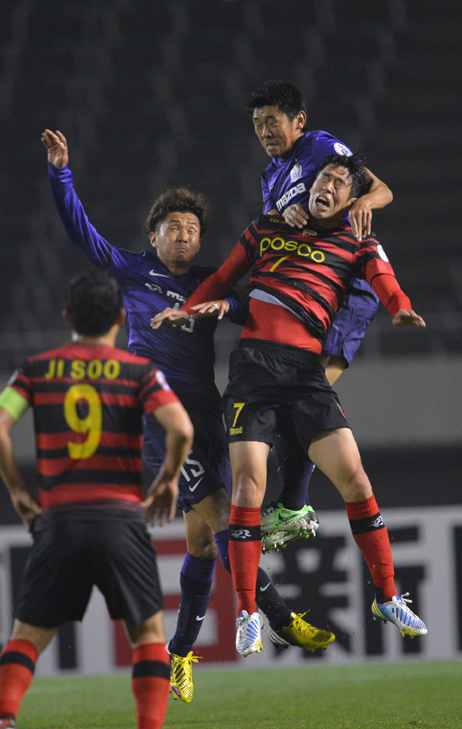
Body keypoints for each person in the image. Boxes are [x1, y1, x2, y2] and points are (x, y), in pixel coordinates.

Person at [41, 128, 335, 704]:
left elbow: (255, 307)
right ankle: (276, 615)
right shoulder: (133, 272)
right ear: (153, 236)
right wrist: (60, 174)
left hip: (207, 412)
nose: (185, 235)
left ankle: (178, 655)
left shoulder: (208, 282)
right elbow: (82, 233)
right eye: (174, 227)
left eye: (193, 229)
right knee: (225, 517)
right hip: (158, 416)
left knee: (202, 543)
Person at [151, 154, 429, 656]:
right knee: (247, 488)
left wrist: (401, 307)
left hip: (305, 375)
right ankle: (248, 613)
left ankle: (387, 596)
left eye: (339, 183)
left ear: (351, 200)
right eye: (324, 177)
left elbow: (384, 281)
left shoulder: (358, 241)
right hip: (253, 370)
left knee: (356, 479)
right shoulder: (269, 226)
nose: (328, 185)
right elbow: (224, 277)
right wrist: (186, 308)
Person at [0, 271, 194, 729]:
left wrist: (18, 490)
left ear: (68, 318)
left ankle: (4, 719)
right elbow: (181, 428)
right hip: (121, 520)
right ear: (119, 318)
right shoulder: (139, 372)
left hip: (59, 521)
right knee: (148, 636)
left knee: (27, 636)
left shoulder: (37, 369)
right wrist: (168, 480)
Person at [246, 79, 394, 553]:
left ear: (299, 121)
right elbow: (277, 238)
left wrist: (363, 202)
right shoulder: (270, 177)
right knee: (295, 401)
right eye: (257, 123)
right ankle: (293, 505)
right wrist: (287, 219)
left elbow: (382, 190)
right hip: (310, 296)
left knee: (302, 395)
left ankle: (294, 506)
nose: (265, 131)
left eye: (272, 121)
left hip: (348, 287)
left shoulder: (321, 148)